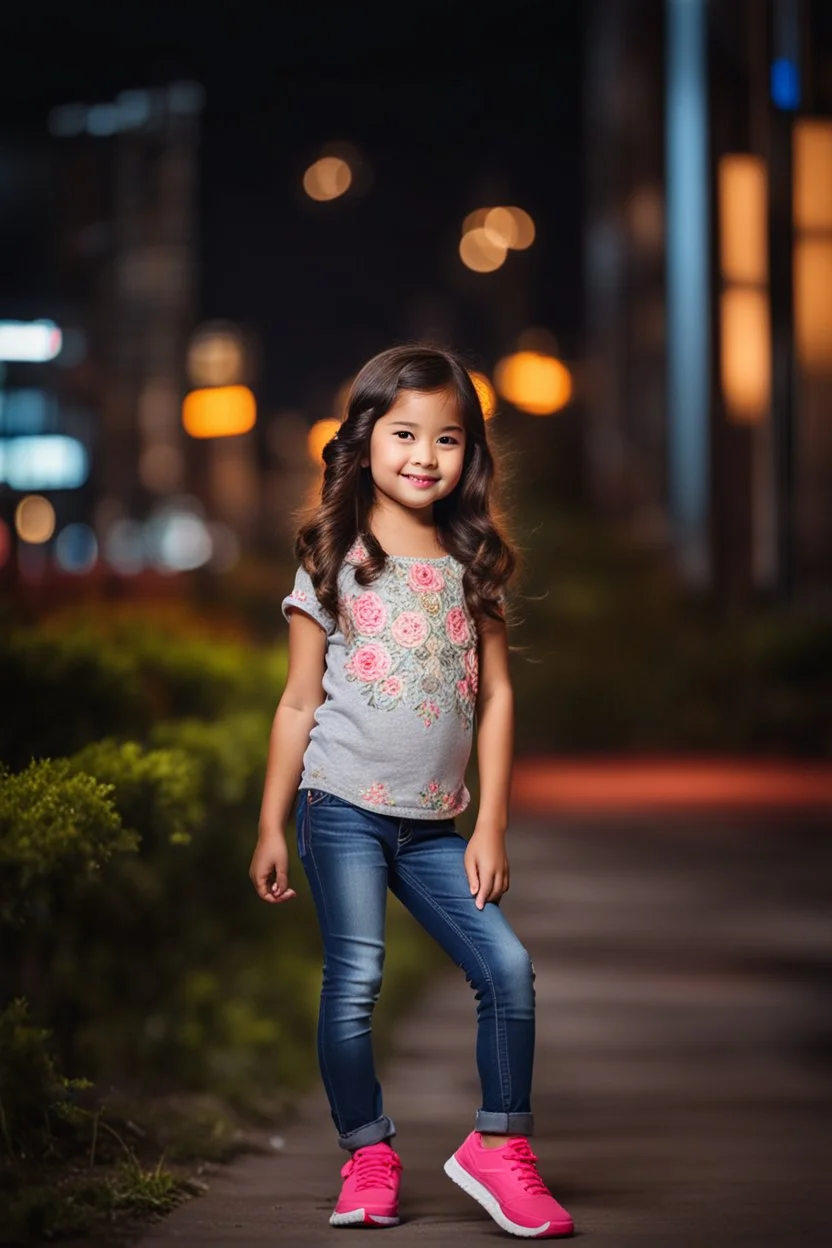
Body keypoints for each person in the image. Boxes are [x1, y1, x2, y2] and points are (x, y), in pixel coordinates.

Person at [250, 344, 574, 1238]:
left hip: (437, 827)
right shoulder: (332, 562)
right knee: (356, 979)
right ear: (364, 442)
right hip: (342, 808)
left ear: (471, 452)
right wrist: (273, 822)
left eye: (449, 438)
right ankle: (368, 1152)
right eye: (404, 434)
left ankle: (499, 1148)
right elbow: (297, 701)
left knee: (506, 969)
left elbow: (499, 695)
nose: (426, 456)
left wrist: (492, 823)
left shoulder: (473, 563)